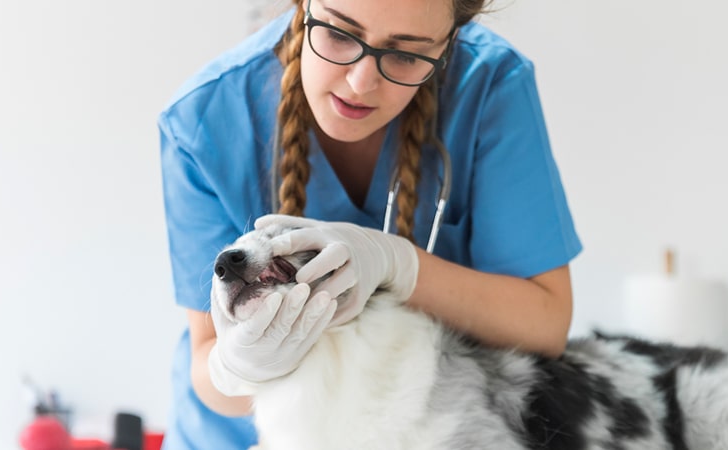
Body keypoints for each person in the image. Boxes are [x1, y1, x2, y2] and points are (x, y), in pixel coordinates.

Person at [158, 0, 582, 448]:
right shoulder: (202, 119)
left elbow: (545, 325)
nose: (361, 82)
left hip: (415, 431)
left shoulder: (489, 84)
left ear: (448, 44)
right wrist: (237, 367)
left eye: (407, 53)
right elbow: (208, 370)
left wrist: (400, 265)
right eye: (340, 33)